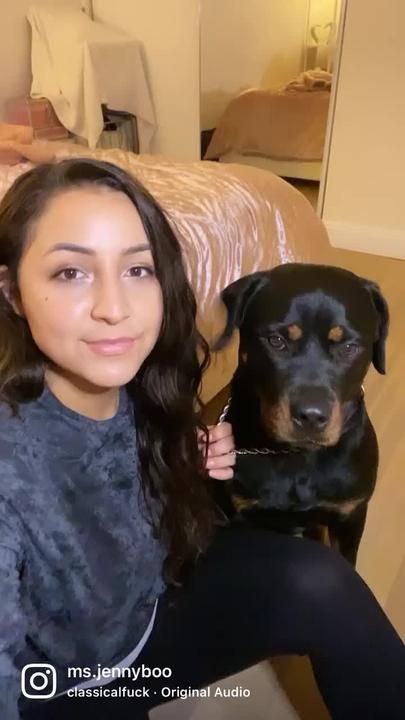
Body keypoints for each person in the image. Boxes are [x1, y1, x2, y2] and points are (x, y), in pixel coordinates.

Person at [0, 158, 403, 720]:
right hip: (65, 686)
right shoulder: (9, 465)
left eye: (138, 270)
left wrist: (179, 467)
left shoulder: (148, 379)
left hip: (151, 610)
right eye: (71, 272)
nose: (114, 309)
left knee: (323, 578)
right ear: (12, 290)